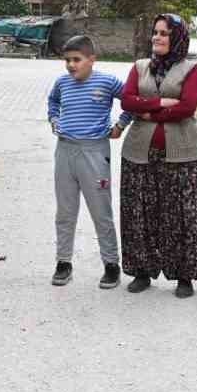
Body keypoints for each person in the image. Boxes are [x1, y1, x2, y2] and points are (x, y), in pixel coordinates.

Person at [118, 13, 197, 298]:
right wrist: (160, 102)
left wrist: (149, 112)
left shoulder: (191, 69)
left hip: (182, 155)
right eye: (155, 32)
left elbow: (187, 107)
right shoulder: (140, 67)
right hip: (138, 153)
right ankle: (141, 271)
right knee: (139, 213)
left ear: (177, 38)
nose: (156, 37)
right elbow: (127, 100)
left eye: (164, 33)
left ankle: (184, 276)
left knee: (183, 215)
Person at [46, 34, 124, 289]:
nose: (71, 65)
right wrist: (54, 119)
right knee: (65, 212)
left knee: (101, 212)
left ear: (92, 59)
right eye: (67, 60)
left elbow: (131, 100)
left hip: (94, 153)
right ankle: (63, 262)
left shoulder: (107, 82)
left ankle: (111, 265)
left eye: (77, 59)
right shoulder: (62, 83)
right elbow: (53, 101)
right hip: (65, 151)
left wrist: (121, 125)